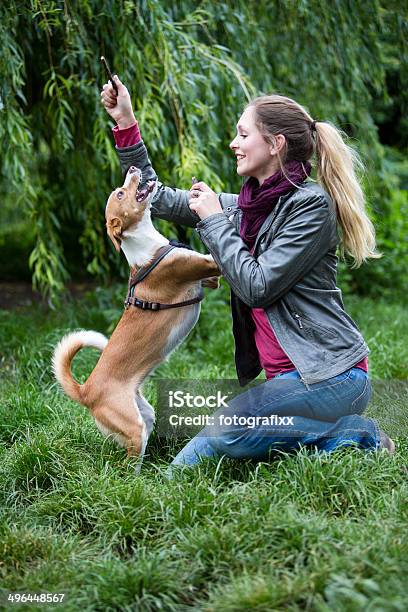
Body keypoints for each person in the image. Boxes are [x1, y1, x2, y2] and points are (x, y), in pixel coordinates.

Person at [100, 75, 395, 469]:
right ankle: (304, 426)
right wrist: (125, 122)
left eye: (243, 134)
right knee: (185, 468)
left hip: (332, 376)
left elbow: (258, 286)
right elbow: (158, 197)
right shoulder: (247, 207)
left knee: (226, 431)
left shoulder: (311, 207)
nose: (233, 143)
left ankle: (358, 435)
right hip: (289, 382)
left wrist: (215, 223)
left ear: (275, 145)